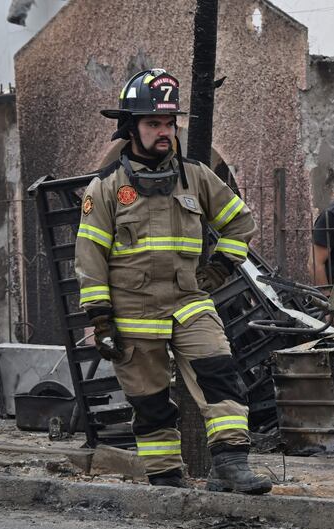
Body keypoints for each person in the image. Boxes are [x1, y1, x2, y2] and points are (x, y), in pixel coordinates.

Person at [74, 68, 271, 494]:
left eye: (168, 123)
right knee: (150, 404)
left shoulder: (196, 176)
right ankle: (166, 482)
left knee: (221, 374)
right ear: (131, 128)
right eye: (153, 124)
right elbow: (89, 255)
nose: (164, 132)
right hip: (132, 313)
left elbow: (241, 222)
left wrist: (221, 266)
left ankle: (232, 466)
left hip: (188, 303)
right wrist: (101, 318)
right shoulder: (106, 188)